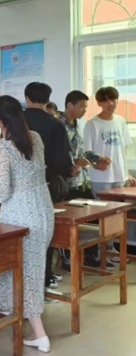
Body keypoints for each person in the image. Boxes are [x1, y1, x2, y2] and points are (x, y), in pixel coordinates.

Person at [0, 95, 54, 353]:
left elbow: (1, 194)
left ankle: (39, 334)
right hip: (44, 210)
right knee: (32, 270)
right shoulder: (35, 137)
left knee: (22, 273)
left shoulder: (2, 149)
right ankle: (20, 314)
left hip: (20, 217)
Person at [23, 82, 73, 290]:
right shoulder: (56, 125)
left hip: (20, 186)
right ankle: (44, 278)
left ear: (27, 98)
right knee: (44, 231)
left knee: (21, 232)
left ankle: (22, 279)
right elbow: (64, 163)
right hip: (47, 184)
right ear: (47, 100)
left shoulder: (17, 122)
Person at [58, 90, 112, 272]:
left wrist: (96, 158)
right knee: (67, 223)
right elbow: (59, 156)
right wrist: (73, 164)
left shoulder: (76, 125)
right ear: (70, 105)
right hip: (68, 181)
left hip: (82, 180)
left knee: (94, 216)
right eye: (82, 106)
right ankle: (67, 260)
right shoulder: (59, 126)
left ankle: (90, 256)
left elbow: (80, 152)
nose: (84, 110)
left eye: (86, 107)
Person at [83, 86, 136, 196]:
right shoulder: (92, 124)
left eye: (113, 100)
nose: (111, 103)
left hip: (120, 176)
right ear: (99, 103)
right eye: (105, 101)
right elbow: (86, 152)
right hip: (100, 176)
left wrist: (126, 173)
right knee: (103, 206)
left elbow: (123, 150)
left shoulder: (121, 121)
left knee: (120, 207)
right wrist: (95, 163)